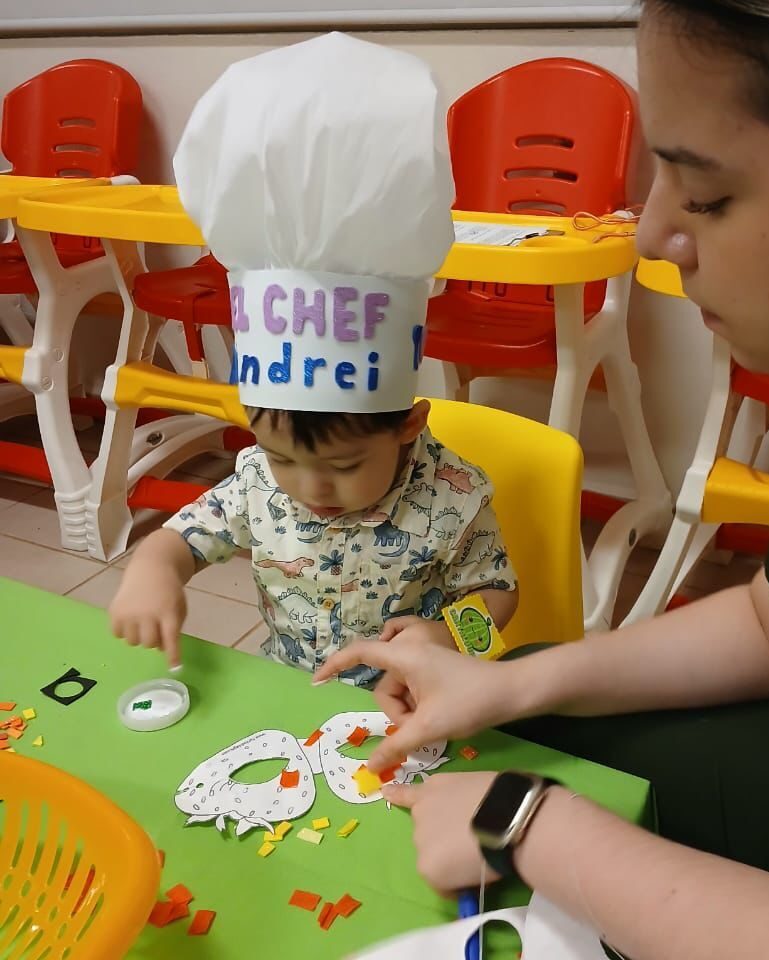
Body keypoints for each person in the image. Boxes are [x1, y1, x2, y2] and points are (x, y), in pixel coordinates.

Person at [317, 2, 769, 956]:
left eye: (705, 197)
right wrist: (511, 685)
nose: (652, 232)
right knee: (518, 700)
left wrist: (529, 825)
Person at [108, 33, 517, 679]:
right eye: (283, 457)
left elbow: (497, 594)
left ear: (408, 424)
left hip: (415, 692)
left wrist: (450, 639)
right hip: (291, 683)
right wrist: (152, 571)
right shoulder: (260, 483)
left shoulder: (452, 495)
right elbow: (176, 542)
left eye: (344, 463)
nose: (309, 487)